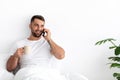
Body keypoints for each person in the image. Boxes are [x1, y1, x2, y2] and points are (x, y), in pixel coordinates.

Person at [6, 15, 66, 80]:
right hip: (27, 73)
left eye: (42, 26)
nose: (39, 28)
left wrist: (49, 39)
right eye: (36, 25)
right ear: (30, 26)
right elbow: (9, 68)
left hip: (46, 74)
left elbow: (61, 56)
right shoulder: (19, 44)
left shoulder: (48, 43)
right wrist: (15, 56)